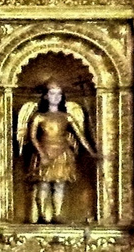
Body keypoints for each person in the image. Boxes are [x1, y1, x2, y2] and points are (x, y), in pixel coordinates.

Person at [17, 82, 95, 223]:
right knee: (44, 184)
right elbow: (33, 137)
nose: (56, 97)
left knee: (59, 185)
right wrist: (42, 154)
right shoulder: (39, 117)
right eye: (52, 93)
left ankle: (57, 215)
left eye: (58, 94)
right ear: (46, 96)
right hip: (45, 151)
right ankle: (42, 216)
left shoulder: (67, 117)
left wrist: (91, 151)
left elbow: (81, 136)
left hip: (62, 153)